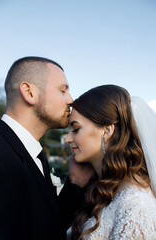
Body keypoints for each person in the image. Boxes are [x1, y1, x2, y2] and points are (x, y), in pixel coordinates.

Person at [0, 56, 94, 240]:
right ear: (29, 92)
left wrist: (75, 183)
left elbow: (45, 224)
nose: (71, 100)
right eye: (63, 90)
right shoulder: (0, 158)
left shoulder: (33, 154)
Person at [65, 84, 156, 240]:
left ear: (106, 131)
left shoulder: (136, 206)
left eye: (76, 129)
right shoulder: (108, 189)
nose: (68, 138)